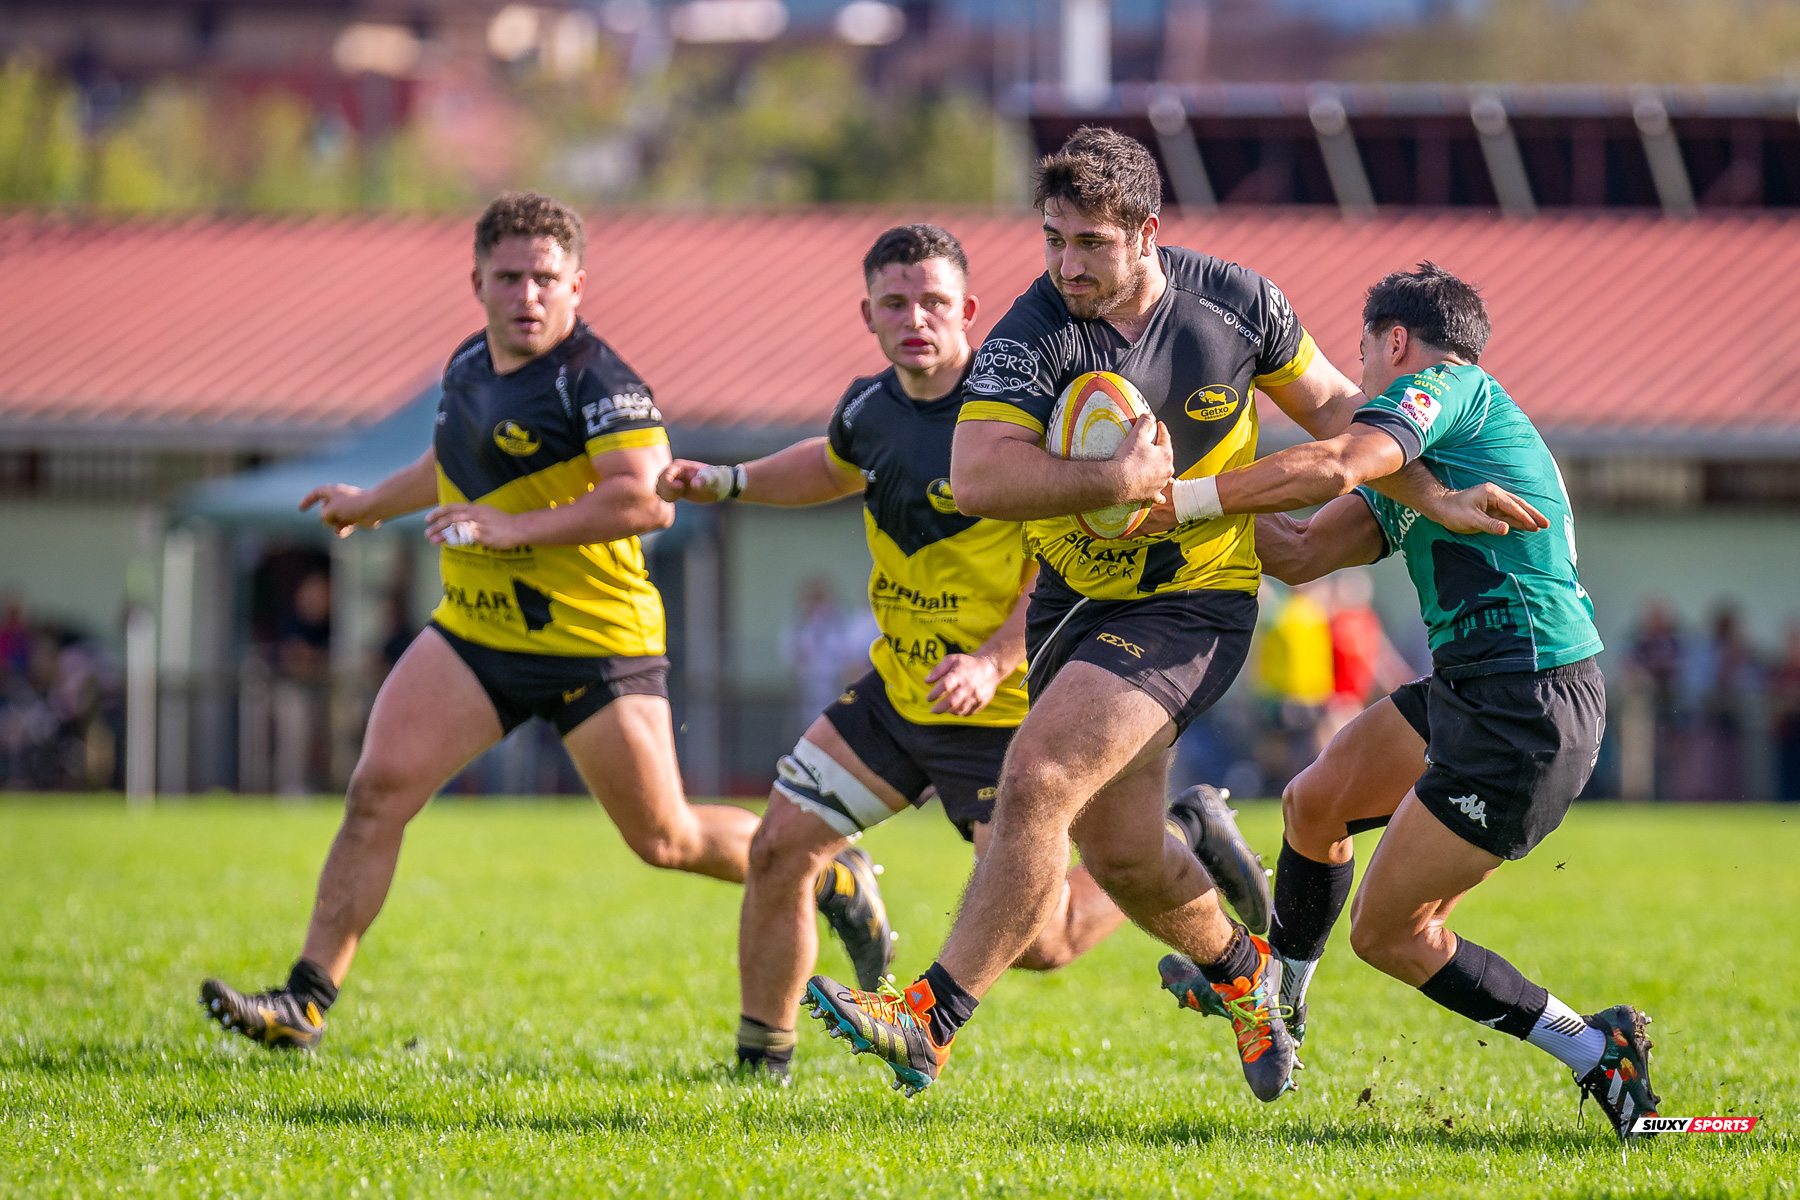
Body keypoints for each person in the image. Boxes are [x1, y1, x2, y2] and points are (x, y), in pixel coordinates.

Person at [803, 130, 1533, 1100]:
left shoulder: (1242, 303)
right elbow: (975, 477)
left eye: (1091, 244)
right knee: (1124, 852)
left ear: (1148, 233)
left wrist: (1435, 495)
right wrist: (1113, 477)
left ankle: (926, 1023)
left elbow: (1333, 410)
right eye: (1054, 239)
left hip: (1197, 598)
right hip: (1075, 597)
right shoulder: (1033, 329)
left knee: (1040, 776)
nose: (1067, 265)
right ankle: (1248, 977)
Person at [197, 192, 873, 1051]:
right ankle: (305, 1003)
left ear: (578, 285)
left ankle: (831, 873)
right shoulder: (468, 366)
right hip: (478, 633)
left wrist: (515, 528)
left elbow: (646, 502)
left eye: (544, 279)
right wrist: (371, 503)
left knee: (664, 838)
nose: (526, 295)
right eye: (508, 277)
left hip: (596, 643)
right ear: (475, 280)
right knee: (376, 792)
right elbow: (454, 460)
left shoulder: (599, 381)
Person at [658, 224, 1269, 1080]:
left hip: (1000, 709)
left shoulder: (1022, 416)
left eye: (935, 301)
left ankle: (1178, 838)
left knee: (1043, 941)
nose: (917, 318)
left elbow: (1058, 566)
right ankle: (763, 1067)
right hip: (899, 692)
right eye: (896, 302)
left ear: (969, 311)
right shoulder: (870, 409)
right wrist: (729, 482)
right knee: (777, 848)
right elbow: (830, 466)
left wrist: (992, 660)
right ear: (867, 313)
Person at [1247, 263, 1661, 1140]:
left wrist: (1186, 489)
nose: (1360, 377)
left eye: (1363, 355)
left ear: (1396, 343)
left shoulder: (1449, 389)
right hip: (1474, 686)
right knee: (1312, 803)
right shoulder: (1423, 460)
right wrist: (1155, 492)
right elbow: (1293, 553)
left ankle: (1596, 1050)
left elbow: (1336, 459)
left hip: (1530, 707)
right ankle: (1279, 1009)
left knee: (1391, 933)